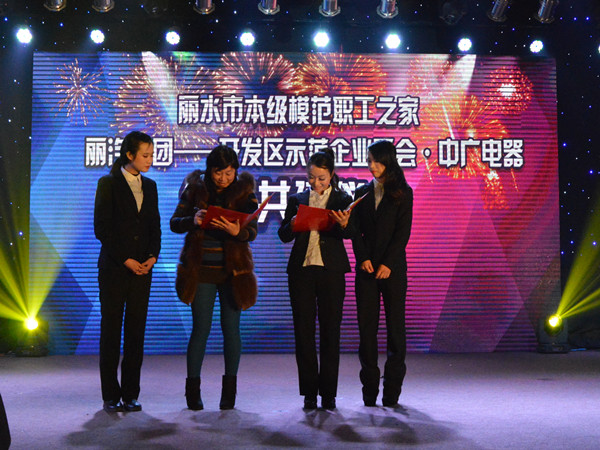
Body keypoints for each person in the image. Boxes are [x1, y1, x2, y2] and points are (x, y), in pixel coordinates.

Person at [170, 145, 258, 411]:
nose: (223, 178)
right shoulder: (195, 188)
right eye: (218, 172)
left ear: (236, 171)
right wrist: (192, 220)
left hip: (233, 273)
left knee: (231, 329)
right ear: (210, 170)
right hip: (201, 271)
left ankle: (229, 392)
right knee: (201, 328)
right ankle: (192, 391)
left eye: (229, 173)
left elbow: (252, 230)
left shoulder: (245, 191)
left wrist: (238, 231)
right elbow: (175, 222)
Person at [278, 149, 354, 410]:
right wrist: (293, 224)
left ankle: (329, 393)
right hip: (302, 272)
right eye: (311, 177)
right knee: (304, 332)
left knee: (331, 331)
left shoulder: (343, 199)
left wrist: (344, 224)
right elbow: (283, 235)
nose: (316, 183)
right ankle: (309, 393)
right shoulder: (297, 199)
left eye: (321, 178)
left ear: (331, 175)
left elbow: (351, 234)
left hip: (331, 272)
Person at [94, 131, 161, 413]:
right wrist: (126, 259)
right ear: (129, 155)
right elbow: (102, 228)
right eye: (145, 155)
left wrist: (152, 257)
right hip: (114, 269)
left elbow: (154, 226)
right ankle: (110, 394)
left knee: (136, 332)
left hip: (143, 271)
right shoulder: (108, 183)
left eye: (151, 155)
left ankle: (131, 394)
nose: (150, 160)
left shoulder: (151, 186)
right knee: (111, 330)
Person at [351, 140, 413, 408]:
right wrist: (362, 258)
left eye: (376, 161)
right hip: (366, 270)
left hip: (393, 270)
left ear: (388, 161)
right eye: (369, 161)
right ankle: (369, 390)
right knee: (367, 330)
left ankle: (392, 391)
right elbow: (355, 231)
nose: (372, 166)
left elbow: (402, 233)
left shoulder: (403, 192)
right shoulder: (361, 192)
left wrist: (388, 263)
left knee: (395, 329)